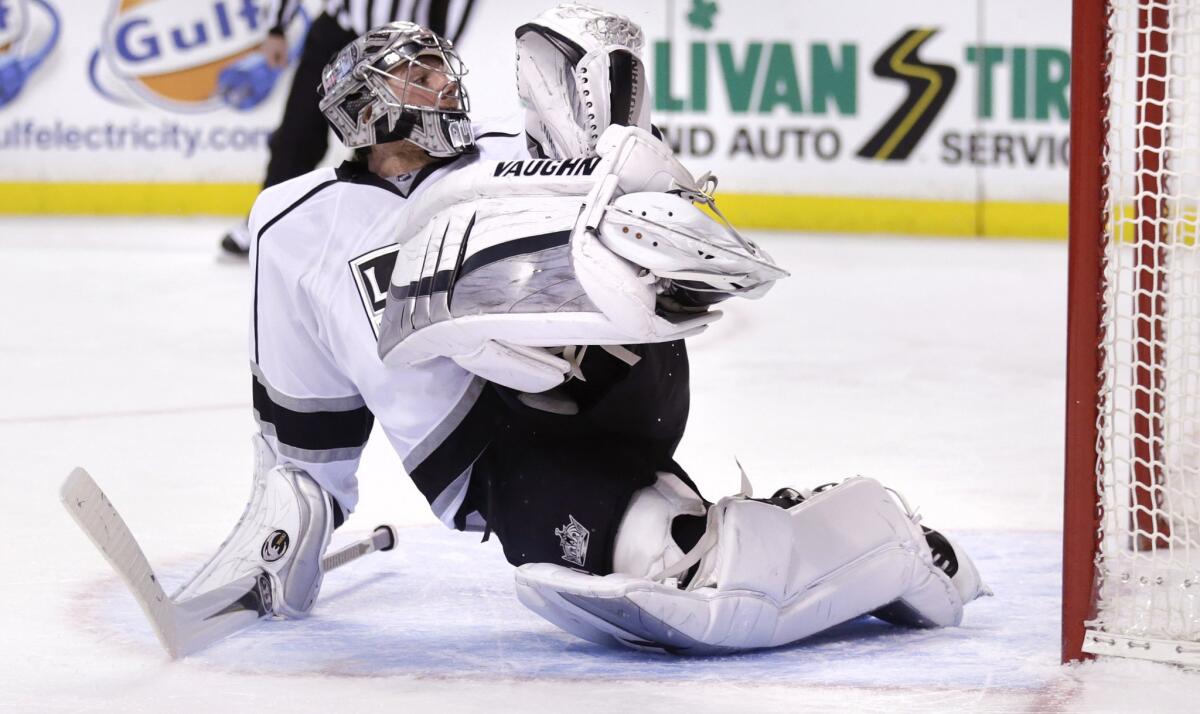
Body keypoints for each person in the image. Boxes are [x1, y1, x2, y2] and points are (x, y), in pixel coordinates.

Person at [184, 6, 989, 655]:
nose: (444, 84)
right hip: (495, 459)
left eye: (441, 68)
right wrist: (285, 538)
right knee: (682, 577)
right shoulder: (292, 223)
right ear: (365, 107)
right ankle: (820, 523)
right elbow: (306, 421)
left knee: (697, 599)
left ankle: (886, 543)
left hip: (613, 376)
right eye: (419, 75)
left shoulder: (504, 152)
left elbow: (628, 200)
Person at [219, 0, 478, 257]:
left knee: (398, 137)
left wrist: (436, 47)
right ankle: (266, 221)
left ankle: (393, 222)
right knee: (298, 131)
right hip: (340, 33)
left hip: (404, 46)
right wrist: (276, 27)